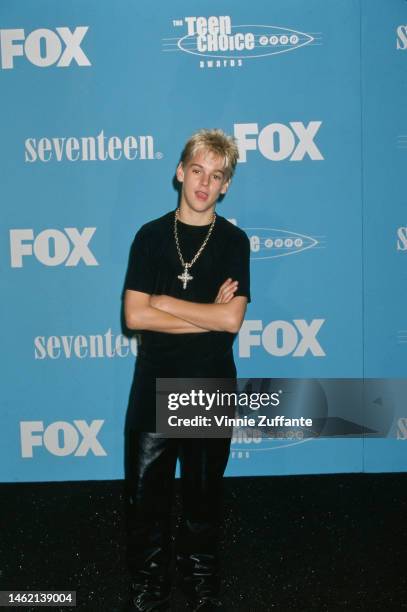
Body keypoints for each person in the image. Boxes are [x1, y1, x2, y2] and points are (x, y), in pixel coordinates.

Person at [123, 128, 251, 611]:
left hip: (208, 383)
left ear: (226, 186)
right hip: (154, 383)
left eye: (216, 176)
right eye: (197, 170)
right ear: (180, 172)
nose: (204, 183)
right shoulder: (151, 237)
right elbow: (135, 316)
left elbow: (232, 319)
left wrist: (166, 304)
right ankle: (148, 587)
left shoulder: (234, 241)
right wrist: (206, 317)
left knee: (203, 496)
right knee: (144, 499)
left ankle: (201, 584)